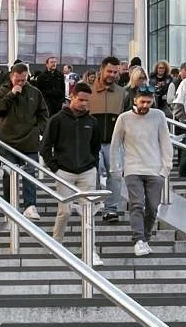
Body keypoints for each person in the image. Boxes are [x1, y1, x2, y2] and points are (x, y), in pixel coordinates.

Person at [41, 82, 103, 259]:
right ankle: (56, 243)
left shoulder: (92, 122)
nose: (84, 103)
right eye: (81, 100)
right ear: (72, 97)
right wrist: (55, 168)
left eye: (87, 100)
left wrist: (93, 166)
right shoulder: (57, 120)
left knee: (88, 211)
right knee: (65, 211)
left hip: (87, 171)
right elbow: (45, 147)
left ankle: (90, 250)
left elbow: (95, 147)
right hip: (64, 172)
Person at [111, 83, 172, 257]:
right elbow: (115, 145)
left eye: (148, 102)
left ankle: (145, 238)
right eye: (142, 102)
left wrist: (165, 169)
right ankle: (138, 239)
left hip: (155, 170)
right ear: (135, 100)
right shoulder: (124, 118)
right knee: (137, 204)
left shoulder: (158, 116)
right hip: (133, 169)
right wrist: (115, 169)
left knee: (152, 207)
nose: (145, 105)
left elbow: (166, 142)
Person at [0, 61, 49, 217]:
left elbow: (43, 114)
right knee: (9, 173)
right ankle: (9, 205)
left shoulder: (35, 93)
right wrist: (11, 94)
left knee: (30, 172)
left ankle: (30, 205)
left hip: (29, 140)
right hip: (8, 140)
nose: (21, 83)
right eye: (18, 80)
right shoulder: (1, 92)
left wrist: (38, 130)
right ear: (12, 77)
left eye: (24, 79)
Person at [86, 57, 127, 221]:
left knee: (115, 175)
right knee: (93, 172)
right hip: (92, 141)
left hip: (114, 142)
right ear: (101, 70)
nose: (112, 75)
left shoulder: (122, 93)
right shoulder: (88, 91)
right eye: (109, 71)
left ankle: (111, 208)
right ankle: (95, 203)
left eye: (115, 72)